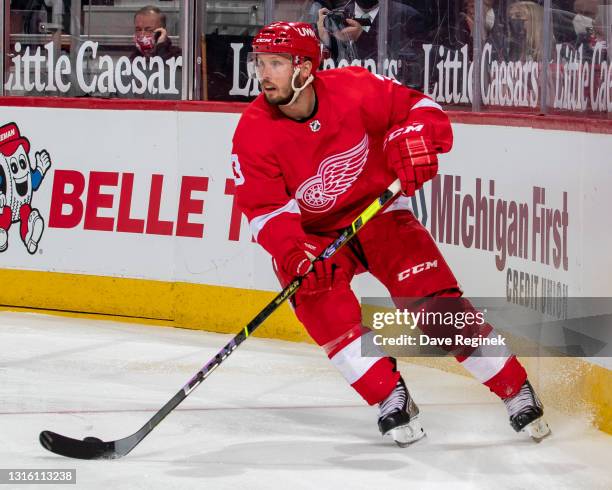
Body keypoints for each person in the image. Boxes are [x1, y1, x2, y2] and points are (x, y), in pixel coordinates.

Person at [231, 21, 551, 446]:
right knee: (325, 313)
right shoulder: (252, 131)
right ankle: (390, 396)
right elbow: (263, 208)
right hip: (313, 235)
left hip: (379, 212)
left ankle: (515, 388)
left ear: (305, 68)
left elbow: (422, 109)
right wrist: (293, 252)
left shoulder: (354, 88)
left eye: (276, 63)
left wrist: (413, 137)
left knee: (436, 307)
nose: (264, 74)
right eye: (260, 63)